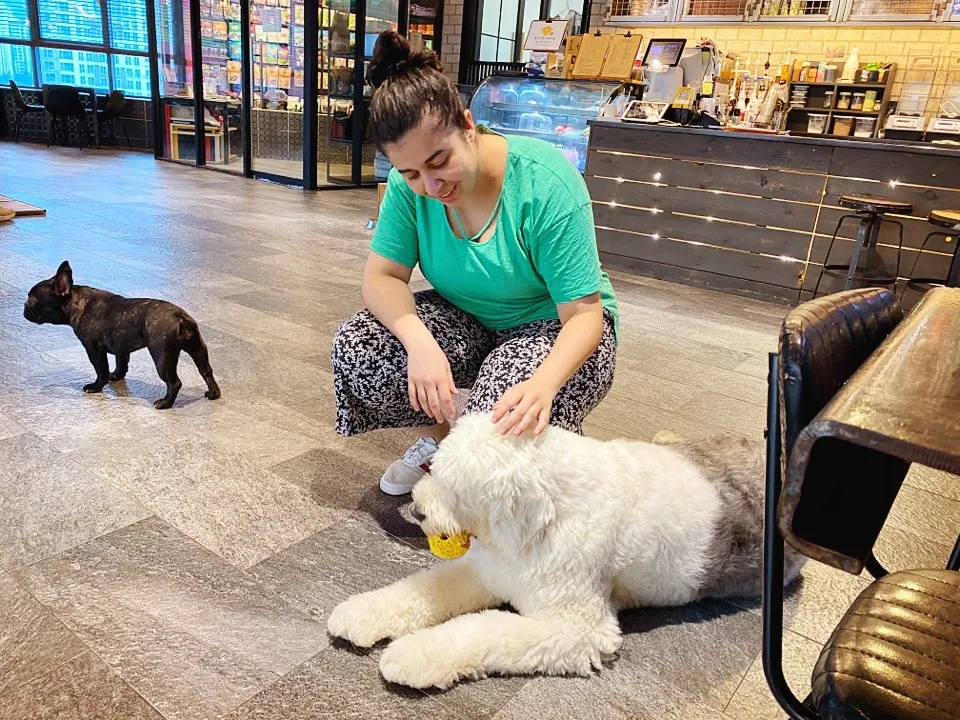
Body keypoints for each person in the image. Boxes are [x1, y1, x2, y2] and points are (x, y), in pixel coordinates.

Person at [331, 31, 619, 495]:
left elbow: (585, 317)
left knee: (497, 434)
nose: (430, 184)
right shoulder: (411, 189)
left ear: (468, 124)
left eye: (439, 161)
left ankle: (540, 454)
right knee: (360, 347)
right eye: (410, 173)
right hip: (468, 316)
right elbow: (382, 277)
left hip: (554, 329)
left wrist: (544, 383)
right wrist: (420, 345)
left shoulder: (545, 183)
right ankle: (440, 441)